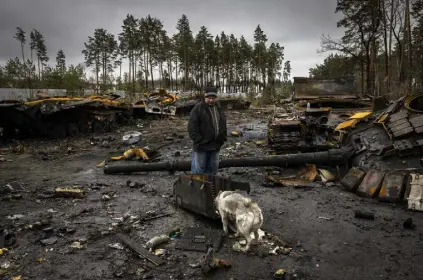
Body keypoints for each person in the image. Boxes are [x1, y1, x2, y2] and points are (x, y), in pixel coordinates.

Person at [188, 86, 227, 175]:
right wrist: (199, 140)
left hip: (215, 144)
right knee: (199, 170)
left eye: (213, 98)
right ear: (205, 98)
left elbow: (223, 123)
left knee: (212, 170)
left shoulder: (218, 108)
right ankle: (198, 187)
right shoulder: (198, 108)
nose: (211, 100)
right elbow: (192, 126)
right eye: (209, 98)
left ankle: (210, 187)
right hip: (202, 145)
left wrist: (223, 138)